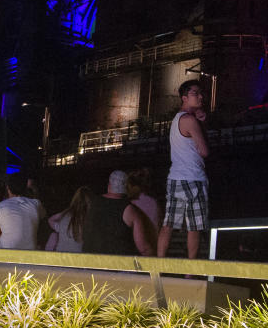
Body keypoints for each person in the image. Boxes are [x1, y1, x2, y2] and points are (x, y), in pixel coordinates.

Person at [157, 79, 211, 260]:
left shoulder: (177, 119)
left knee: (169, 223)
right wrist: (202, 124)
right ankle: (189, 271)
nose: (201, 97)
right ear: (184, 98)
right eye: (196, 93)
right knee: (194, 226)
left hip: (175, 177)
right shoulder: (190, 120)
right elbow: (204, 151)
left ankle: (159, 263)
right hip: (193, 177)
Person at [82, 171, 155, 256]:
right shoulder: (129, 210)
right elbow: (143, 248)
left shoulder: (92, 203)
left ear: (109, 185)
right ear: (126, 187)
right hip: (116, 264)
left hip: (90, 262)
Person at [46, 186, 92, 253]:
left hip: (60, 258)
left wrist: (64, 213)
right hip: (78, 259)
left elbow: (50, 220)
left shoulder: (65, 217)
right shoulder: (88, 219)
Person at [126, 167, 161, 234]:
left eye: (128, 186)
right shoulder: (153, 202)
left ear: (136, 187)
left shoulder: (133, 204)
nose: (127, 190)